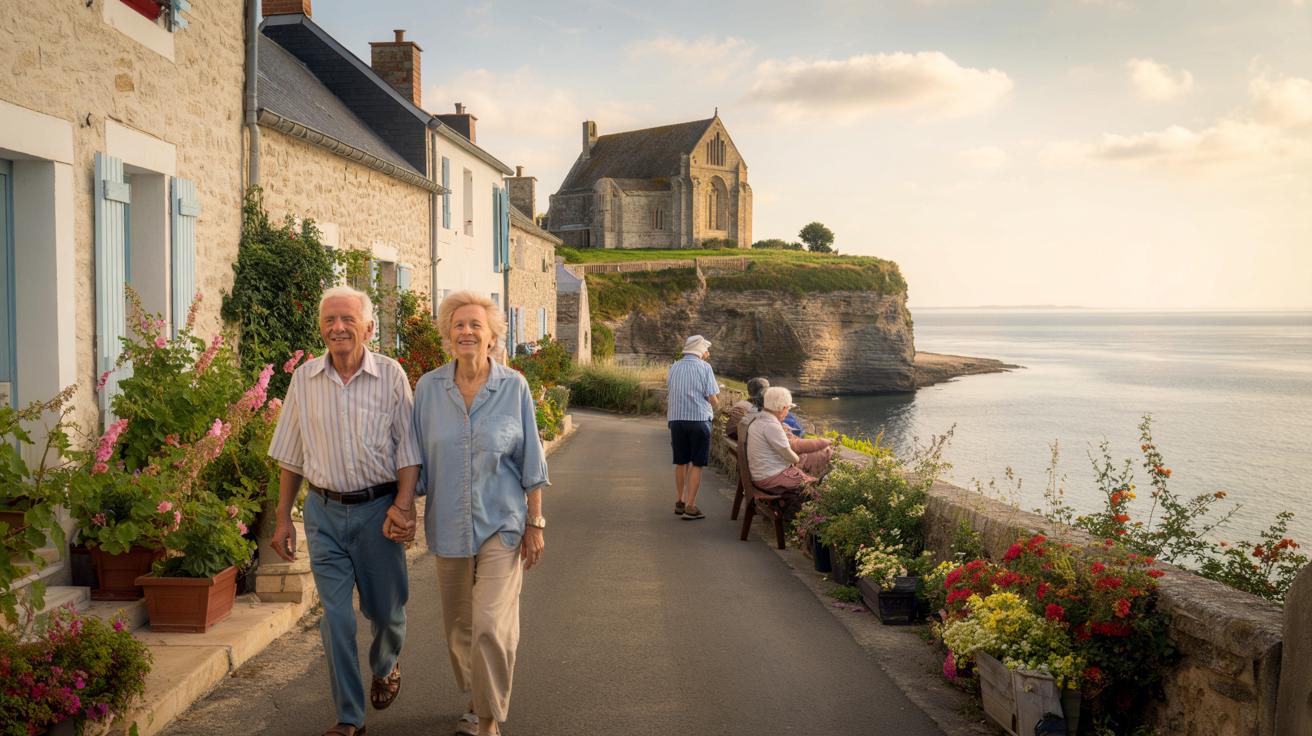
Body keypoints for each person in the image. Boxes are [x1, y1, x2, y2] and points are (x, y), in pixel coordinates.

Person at [268, 285, 421, 736]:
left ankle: (386, 664)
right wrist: (282, 518)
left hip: (379, 512)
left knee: (388, 612)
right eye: (330, 321)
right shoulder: (304, 379)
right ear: (321, 329)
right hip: (324, 513)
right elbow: (290, 455)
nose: (338, 328)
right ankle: (349, 718)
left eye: (347, 319)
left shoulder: (392, 376)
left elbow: (408, 451)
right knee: (335, 620)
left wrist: (404, 506)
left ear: (368, 328)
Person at [413, 291, 549, 736]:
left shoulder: (514, 388)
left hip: (502, 525)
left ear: (492, 337)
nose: (467, 332)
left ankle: (488, 720)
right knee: (459, 628)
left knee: (490, 623)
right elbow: (414, 458)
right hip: (447, 523)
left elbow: (531, 460)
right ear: (447, 334)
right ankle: (476, 700)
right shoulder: (428, 389)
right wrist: (398, 507)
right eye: (459, 324)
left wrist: (535, 522)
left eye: (476, 326)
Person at [746, 387, 833, 501]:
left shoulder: (759, 420)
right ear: (781, 408)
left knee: (814, 482)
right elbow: (790, 456)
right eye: (788, 408)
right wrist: (798, 459)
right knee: (817, 488)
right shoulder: (772, 426)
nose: (788, 412)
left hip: (761, 475)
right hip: (770, 478)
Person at [666, 334, 720, 520]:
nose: (708, 353)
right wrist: (717, 405)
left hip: (676, 420)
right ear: (700, 350)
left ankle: (679, 502)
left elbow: (671, 388)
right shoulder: (705, 368)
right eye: (706, 349)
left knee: (681, 462)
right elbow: (712, 397)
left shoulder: (674, 366)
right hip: (698, 420)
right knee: (697, 463)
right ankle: (691, 506)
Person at [725, 376, 768, 442]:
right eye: (767, 388)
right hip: (741, 436)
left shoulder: (743, 403)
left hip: (733, 433)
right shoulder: (754, 407)